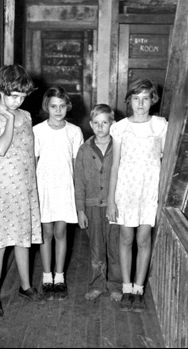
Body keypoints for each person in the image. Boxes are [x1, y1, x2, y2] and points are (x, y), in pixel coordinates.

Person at [0, 64, 46, 321]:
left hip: (24, 184)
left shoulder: (27, 116)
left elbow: (28, 152)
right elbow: (1, 149)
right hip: (0, 186)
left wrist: (32, 182)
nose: (18, 102)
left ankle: (26, 286)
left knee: (22, 237)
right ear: (1, 91)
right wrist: (8, 120)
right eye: (13, 96)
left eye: (22, 97)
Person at [106, 79, 168, 312]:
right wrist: (111, 200)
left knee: (143, 239)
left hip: (149, 191)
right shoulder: (120, 127)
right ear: (129, 100)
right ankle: (126, 287)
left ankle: (139, 289)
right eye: (136, 98)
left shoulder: (160, 125)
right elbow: (115, 166)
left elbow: (165, 160)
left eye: (145, 99)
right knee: (126, 239)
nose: (140, 103)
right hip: (126, 191)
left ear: (152, 100)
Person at [33, 86, 84, 301]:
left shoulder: (74, 131)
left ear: (67, 107)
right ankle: (47, 275)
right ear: (47, 107)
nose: (58, 110)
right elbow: (33, 162)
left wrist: (76, 191)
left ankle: (59, 276)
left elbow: (76, 164)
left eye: (62, 106)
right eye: (53, 106)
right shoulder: (37, 130)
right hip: (43, 187)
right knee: (46, 233)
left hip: (64, 188)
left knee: (61, 232)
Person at [75, 104, 122, 301]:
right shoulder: (85, 150)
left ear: (113, 124)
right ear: (90, 124)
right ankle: (98, 284)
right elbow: (79, 181)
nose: (101, 127)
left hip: (115, 206)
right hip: (92, 206)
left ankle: (116, 285)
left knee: (115, 247)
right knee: (96, 248)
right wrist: (80, 210)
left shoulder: (119, 148)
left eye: (105, 122)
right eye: (96, 123)